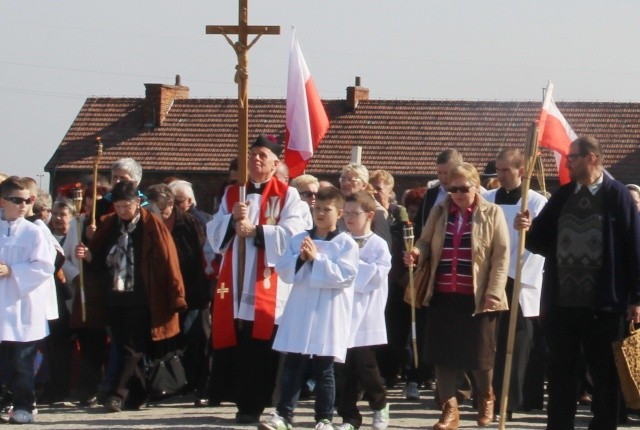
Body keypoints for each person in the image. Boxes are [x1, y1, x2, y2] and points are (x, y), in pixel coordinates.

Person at [514, 136, 640, 430]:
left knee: (604, 373)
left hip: (603, 304)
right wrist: (526, 229)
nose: (568, 162)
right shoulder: (564, 194)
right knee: (561, 373)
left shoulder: (617, 196)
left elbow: (634, 249)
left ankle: (604, 425)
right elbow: (541, 240)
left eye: (573, 157)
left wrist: (637, 297)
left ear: (592, 158)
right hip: (562, 303)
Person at [206, 134, 306, 423]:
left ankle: (258, 403)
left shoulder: (288, 195)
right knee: (238, 340)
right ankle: (240, 401)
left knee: (260, 345)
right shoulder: (231, 194)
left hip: (266, 280)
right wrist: (231, 220)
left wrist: (258, 231)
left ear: (276, 163)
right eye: (252, 154)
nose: (256, 159)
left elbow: (294, 233)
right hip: (235, 280)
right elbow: (215, 235)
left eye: (263, 155)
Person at [404, 162, 510, 429]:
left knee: (481, 356)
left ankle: (486, 396)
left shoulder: (491, 212)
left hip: (477, 295)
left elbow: (501, 255)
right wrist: (417, 253)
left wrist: (494, 291)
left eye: (464, 188)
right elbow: (425, 241)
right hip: (443, 292)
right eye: (453, 189)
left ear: (476, 186)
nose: (459, 193)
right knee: (443, 355)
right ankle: (449, 408)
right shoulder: (440, 211)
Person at [75, 180, 187, 413]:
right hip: (115, 296)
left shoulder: (151, 225)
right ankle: (138, 395)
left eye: (127, 205)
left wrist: (176, 294)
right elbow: (100, 264)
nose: (123, 211)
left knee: (132, 346)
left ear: (137, 203)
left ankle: (117, 394)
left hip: (143, 296)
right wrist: (87, 256)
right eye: (118, 206)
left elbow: (169, 261)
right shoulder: (109, 226)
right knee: (122, 343)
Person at [259, 186, 359, 430]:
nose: (320, 214)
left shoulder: (346, 244)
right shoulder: (299, 238)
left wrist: (317, 259)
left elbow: (344, 276)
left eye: (327, 209)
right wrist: (301, 259)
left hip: (328, 312)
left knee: (324, 369)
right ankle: (283, 415)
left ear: (340, 213)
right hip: (301, 311)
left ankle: (324, 418)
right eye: (317, 209)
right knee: (293, 364)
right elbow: (283, 271)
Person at [483, 148, 547, 419]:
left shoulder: (535, 202)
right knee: (490, 343)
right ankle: (490, 397)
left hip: (519, 280)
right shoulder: (487, 198)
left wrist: (515, 273)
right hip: (490, 278)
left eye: (506, 170)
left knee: (519, 345)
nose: (500, 175)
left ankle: (512, 400)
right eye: (497, 170)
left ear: (522, 171)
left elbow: (540, 243)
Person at [146, 183, 211, 402]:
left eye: (162, 212)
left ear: (171, 207)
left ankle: (197, 384)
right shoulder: (148, 224)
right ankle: (170, 383)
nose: (159, 216)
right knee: (168, 339)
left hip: (192, 291)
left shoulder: (190, 223)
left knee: (195, 337)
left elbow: (202, 257)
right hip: (161, 293)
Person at [334, 191, 392, 430]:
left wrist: (350, 269)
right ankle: (350, 417)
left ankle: (380, 406)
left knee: (366, 366)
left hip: (366, 314)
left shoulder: (378, 245)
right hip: (342, 313)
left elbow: (375, 276)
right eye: (345, 213)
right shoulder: (339, 240)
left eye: (354, 213)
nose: (348, 218)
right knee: (342, 369)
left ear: (369, 215)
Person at [0, 176, 55, 424]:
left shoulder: (34, 232)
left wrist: (12, 271)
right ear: (3, 201)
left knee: (22, 362)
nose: (23, 205)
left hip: (22, 307)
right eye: (17, 200)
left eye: (28, 200)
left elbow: (45, 266)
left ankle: (24, 405)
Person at [338, 163, 392, 249]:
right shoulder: (336, 208)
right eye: (343, 179)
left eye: (351, 180)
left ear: (364, 185)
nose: (345, 183)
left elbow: (384, 246)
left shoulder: (377, 212)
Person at [413, 149, 463, 239]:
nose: (443, 177)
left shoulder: (469, 194)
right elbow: (419, 223)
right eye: (439, 173)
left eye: (446, 173)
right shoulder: (430, 194)